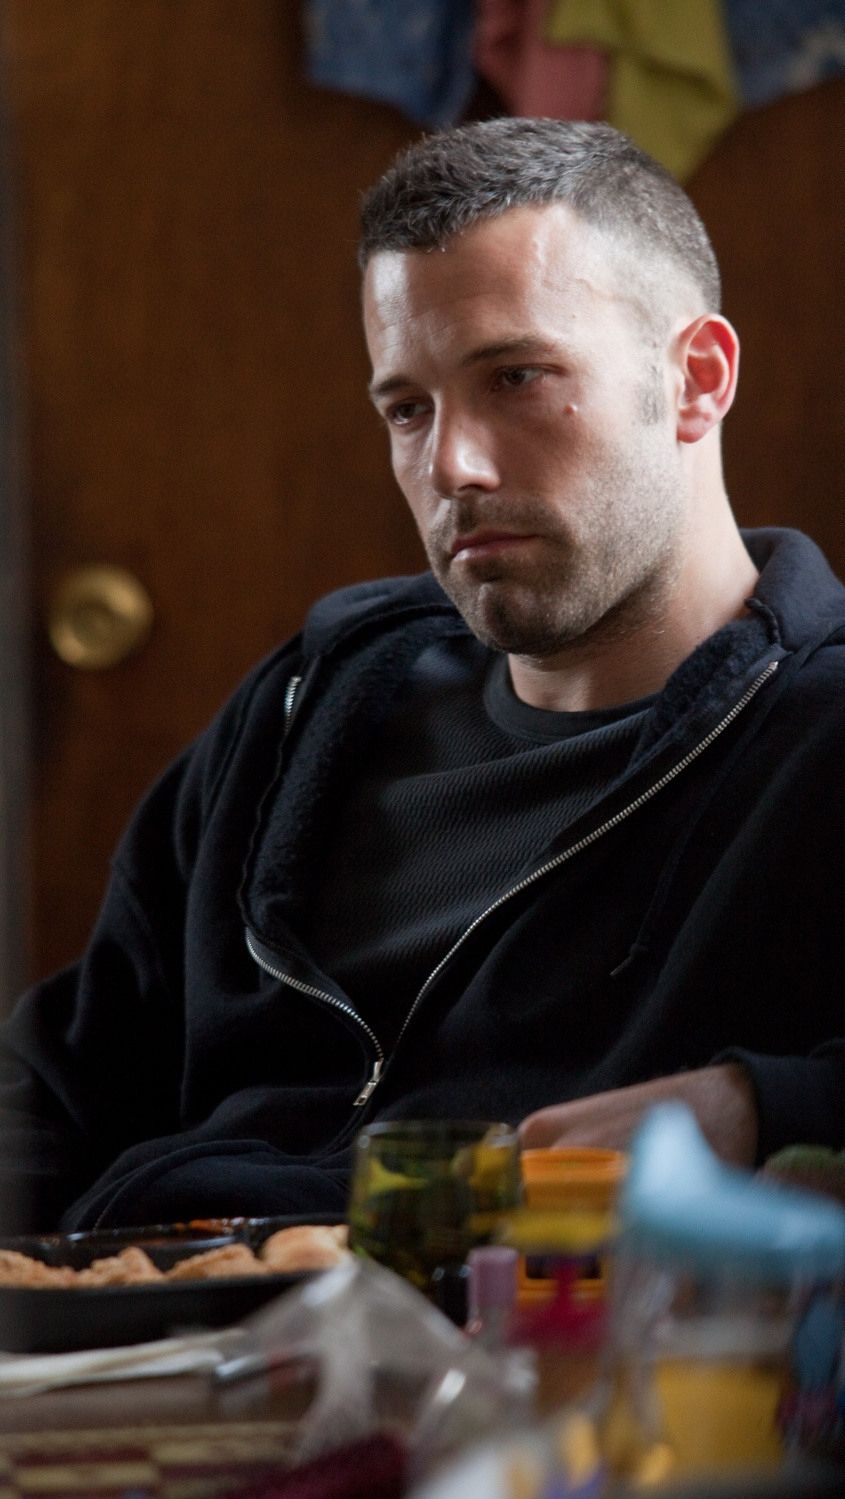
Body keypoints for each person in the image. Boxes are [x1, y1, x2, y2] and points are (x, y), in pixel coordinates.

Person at [1, 118, 843, 1235]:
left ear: (696, 379)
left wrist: (756, 1103)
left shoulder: (818, 738)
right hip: (139, 1310)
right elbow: (58, 1081)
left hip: (497, 1323)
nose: (451, 464)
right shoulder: (306, 706)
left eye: (516, 377)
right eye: (408, 408)